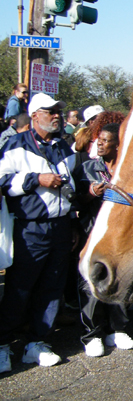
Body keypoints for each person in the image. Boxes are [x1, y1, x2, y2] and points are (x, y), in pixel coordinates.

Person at [0, 93, 78, 372]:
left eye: (58, 110)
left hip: (59, 227)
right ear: (35, 116)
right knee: (20, 288)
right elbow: (2, 180)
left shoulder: (63, 147)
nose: (56, 115)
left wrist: (71, 223)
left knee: (51, 288)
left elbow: (71, 188)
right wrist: (36, 179)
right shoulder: (16, 144)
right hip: (30, 227)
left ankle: (37, 343)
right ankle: (3, 344)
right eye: (50, 111)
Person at [76, 122, 133, 357]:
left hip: (122, 234)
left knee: (120, 279)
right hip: (93, 232)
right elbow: (75, 201)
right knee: (92, 282)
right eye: (97, 139)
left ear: (117, 144)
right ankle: (92, 334)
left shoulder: (127, 168)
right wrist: (90, 194)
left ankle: (118, 328)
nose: (99, 143)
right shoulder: (88, 168)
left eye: (105, 139)